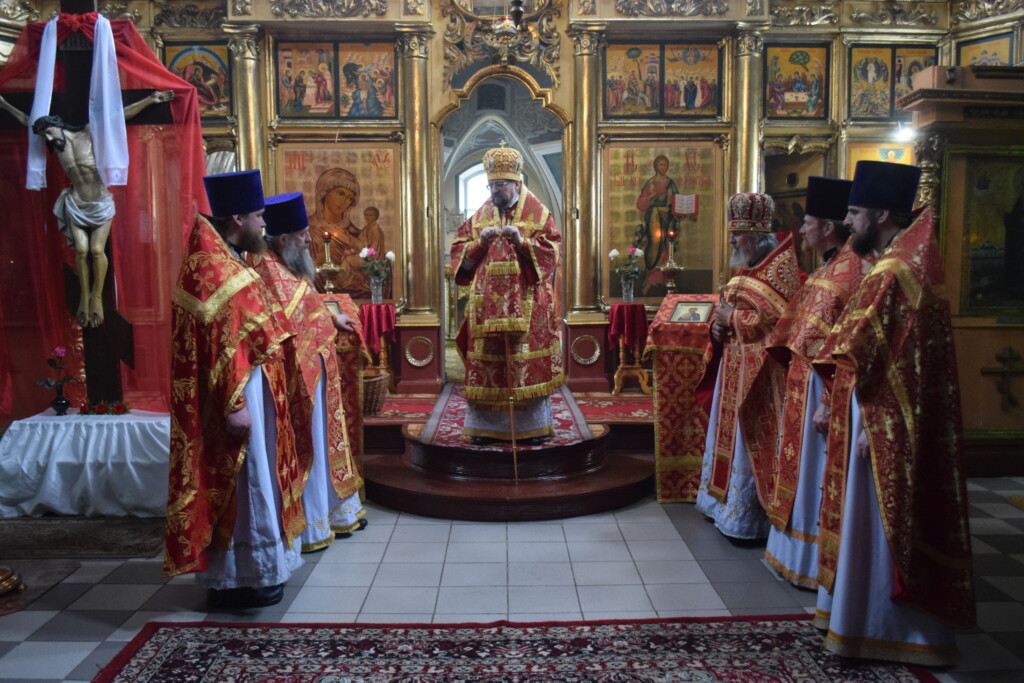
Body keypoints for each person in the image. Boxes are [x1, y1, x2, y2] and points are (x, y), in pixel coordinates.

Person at [813, 161, 975, 665]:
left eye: (856, 213)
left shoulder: (896, 270)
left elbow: (884, 353)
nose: (849, 222)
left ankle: (885, 629)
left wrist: (876, 426)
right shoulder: (903, 260)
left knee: (877, 524)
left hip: (881, 418)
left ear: (882, 214)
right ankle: (860, 621)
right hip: (876, 411)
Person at [164, 169, 305, 609]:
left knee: (254, 483)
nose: (265, 225)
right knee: (245, 486)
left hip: (252, 394)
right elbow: (221, 348)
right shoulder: (213, 269)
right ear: (238, 216)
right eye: (259, 216)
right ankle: (241, 579)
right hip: (239, 401)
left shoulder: (222, 257)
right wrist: (236, 405)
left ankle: (253, 573)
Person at [742, 177, 871, 589]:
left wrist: (828, 398)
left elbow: (849, 343)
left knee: (818, 472)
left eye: (808, 223)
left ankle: (816, 558)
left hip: (825, 390)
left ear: (827, 228)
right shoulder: (829, 268)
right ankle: (793, 552)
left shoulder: (854, 272)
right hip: (805, 385)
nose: (800, 231)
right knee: (799, 470)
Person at [252, 192, 367, 552]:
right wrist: (323, 323)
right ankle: (314, 523)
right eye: (303, 234)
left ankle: (334, 513)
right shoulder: (264, 268)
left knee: (323, 439)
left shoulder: (288, 264)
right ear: (284, 239)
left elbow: (306, 302)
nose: (309, 239)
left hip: (314, 370)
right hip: (296, 376)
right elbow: (285, 320)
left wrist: (331, 317)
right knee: (311, 444)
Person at [0, 90, 173, 327]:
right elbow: (27, 122)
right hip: (75, 203)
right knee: (81, 251)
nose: (48, 140)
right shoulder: (57, 144)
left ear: (58, 126)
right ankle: (84, 297)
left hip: (100, 204)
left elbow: (118, 117)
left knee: (95, 250)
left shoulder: (89, 133)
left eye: (49, 133)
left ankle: (97, 297)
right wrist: (5, 105)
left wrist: (150, 100)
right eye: (45, 136)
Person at [694, 192, 803, 540]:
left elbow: (780, 323)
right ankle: (722, 506)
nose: (732, 240)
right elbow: (728, 312)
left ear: (755, 237)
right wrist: (718, 325)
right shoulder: (747, 269)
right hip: (733, 368)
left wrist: (734, 318)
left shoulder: (782, 272)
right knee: (728, 437)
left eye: (737, 235)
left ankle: (747, 518)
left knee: (746, 441)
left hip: (760, 377)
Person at [450, 143, 562, 446]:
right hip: (486, 309)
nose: (495, 190)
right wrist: (479, 244)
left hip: (527, 307)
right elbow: (459, 251)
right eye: (491, 185)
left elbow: (553, 252)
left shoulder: (538, 212)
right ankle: (485, 429)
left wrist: (523, 241)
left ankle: (532, 429)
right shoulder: (482, 214)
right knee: (490, 366)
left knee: (523, 366)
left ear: (516, 183)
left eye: (500, 185)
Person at [308, 167, 384, 299]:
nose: (344, 202)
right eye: (341, 193)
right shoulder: (307, 231)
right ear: (324, 192)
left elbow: (373, 265)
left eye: (350, 198)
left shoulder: (358, 234)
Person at [635, 154, 679, 291]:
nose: (663, 167)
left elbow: (677, 200)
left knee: (666, 245)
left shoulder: (670, 183)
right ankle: (649, 278)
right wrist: (652, 196)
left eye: (665, 164)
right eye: (660, 164)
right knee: (655, 242)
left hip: (668, 217)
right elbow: (640, 204)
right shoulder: (651, 183)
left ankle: (663, 279)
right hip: (654, 215)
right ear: (655, 166)